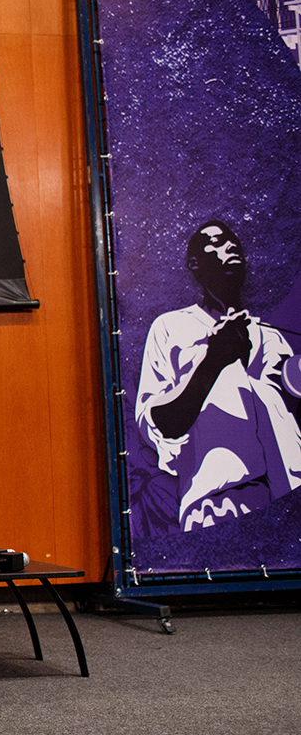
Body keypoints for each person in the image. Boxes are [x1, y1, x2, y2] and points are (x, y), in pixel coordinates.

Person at [135, 220, 301, 533]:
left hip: (286, 501)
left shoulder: (272, 337)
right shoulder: (170, 328)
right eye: (217, 241)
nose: (231, 245)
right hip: (217, 503)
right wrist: (212, 362)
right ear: (194, 263)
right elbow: (161, 425)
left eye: (234, 241)